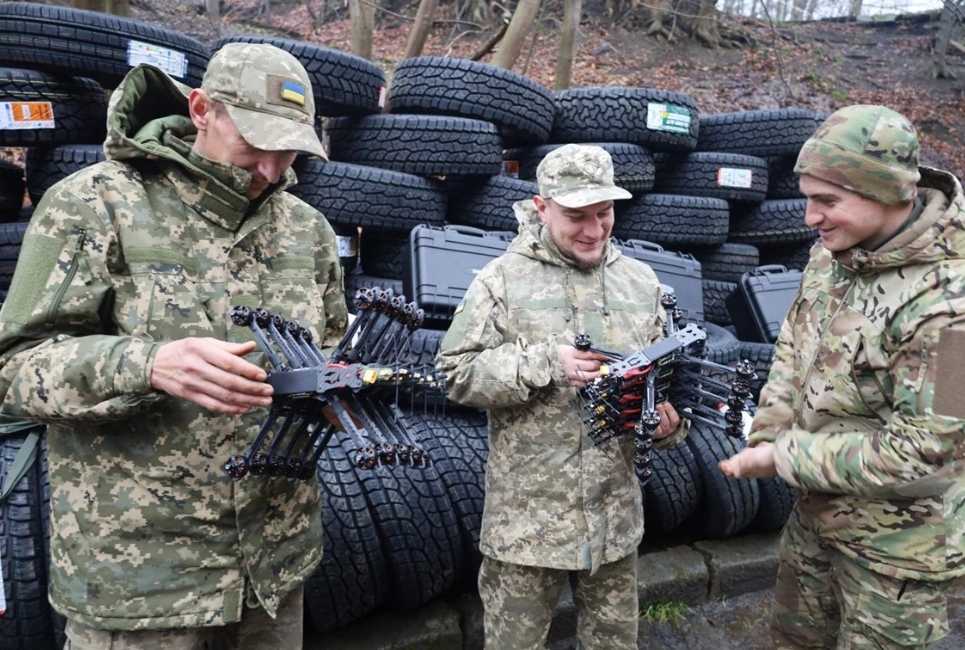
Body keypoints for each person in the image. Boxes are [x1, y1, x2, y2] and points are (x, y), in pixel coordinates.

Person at [0, 44, 347, 649]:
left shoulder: (307, 230)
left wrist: (337, 389)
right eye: (255, 146)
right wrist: (147, 364)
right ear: (202, 109)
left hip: (273, 573)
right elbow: (14, 369)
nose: (270, 169)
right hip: (142, 582)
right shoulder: (95, 204)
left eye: (287, 149)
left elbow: (329, 348)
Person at [719, 105, 965, 649]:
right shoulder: (834, 257)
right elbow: (794, 347)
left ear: (887, 194)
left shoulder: (952, 307)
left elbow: (929, 449)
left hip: (898, 555)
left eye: (827, 201)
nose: (810, 217)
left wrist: (783, 458)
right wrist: (769, 429)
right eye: (808, 198)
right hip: (814, 522)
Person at [438, 144, 684, 650]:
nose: (594, 230)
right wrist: (546, 362)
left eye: (604, 212)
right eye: (577, 216)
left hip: (615, 523)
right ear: (542, 207)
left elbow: (665, 383)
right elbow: (455, 374)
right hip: (529, 527)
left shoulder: (641, 284)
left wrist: (667, 425)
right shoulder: (501, 281)